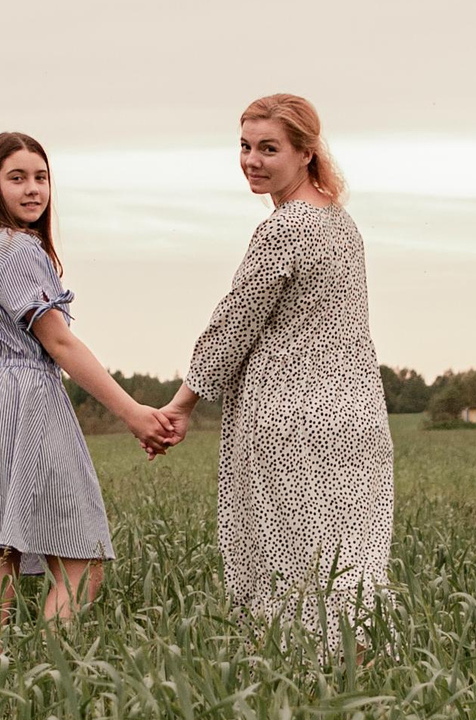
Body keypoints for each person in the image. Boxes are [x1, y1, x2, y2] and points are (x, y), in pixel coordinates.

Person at [0, 132, 174, 624]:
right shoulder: (16, 249)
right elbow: (59, 343)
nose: (32, 189)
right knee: (82, 565)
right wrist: (133, 413)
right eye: (16, 178)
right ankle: (48, 684)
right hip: (25, 404)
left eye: (41, 178)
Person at [155, 94, 393, 648]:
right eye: (245, 146)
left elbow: (235, 323)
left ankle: (299, 691)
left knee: (292, 573)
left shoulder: (285, 228)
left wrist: (181, 405)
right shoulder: (341, 223)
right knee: (350, 571)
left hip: (293, 420)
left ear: (307, 153)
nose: (252, 161)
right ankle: (361, 686)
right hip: (358, 418)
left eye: (269, 148)